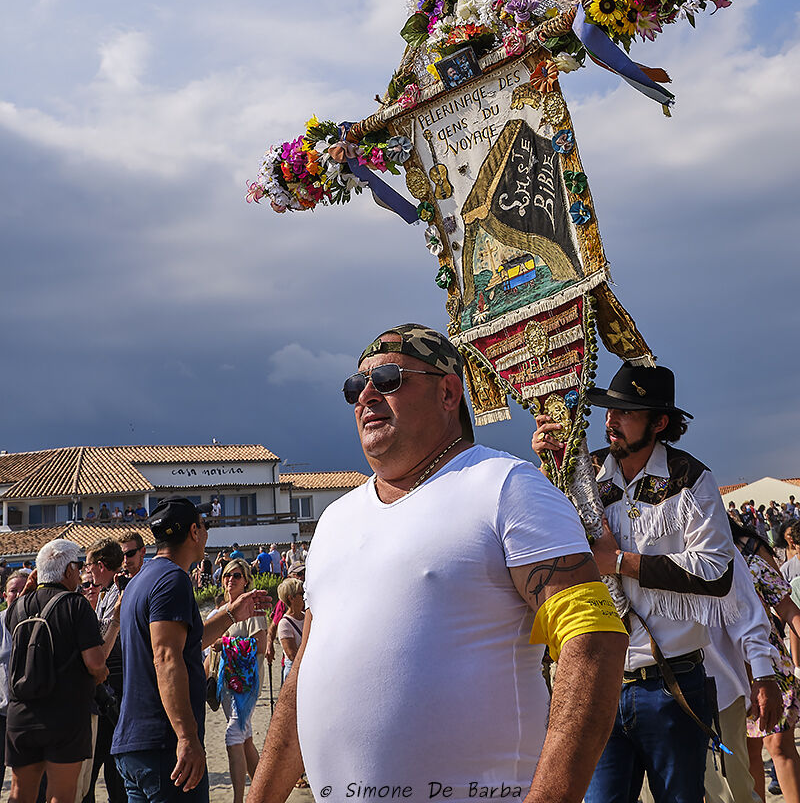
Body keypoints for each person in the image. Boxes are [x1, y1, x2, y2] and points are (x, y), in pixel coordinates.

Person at [250, 323, 628, 803]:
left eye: (388, 379)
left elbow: (592, 640)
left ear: (449, 392)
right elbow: (302, 678)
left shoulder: (506, 487)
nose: (365, 395)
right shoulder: (334, 520)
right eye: (355, 385)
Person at [534, 361, 737, 803]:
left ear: (659, 422)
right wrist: (548, 464)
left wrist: (620, 561)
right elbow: (545, 535)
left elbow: (717, 572)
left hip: (671, 686)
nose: (610, 420)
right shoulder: (581, 471)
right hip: (597, 681)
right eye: (608, 410)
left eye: (625, 412)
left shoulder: (691, 479)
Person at [111, 497, 270, 803]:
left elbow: (186, 644)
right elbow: (167, 658)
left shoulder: (140, 581)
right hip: (165, 746)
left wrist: (233, 613)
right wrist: (187, 736)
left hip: (136, 744)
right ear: (194, 532)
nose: (207, 534)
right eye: (204, 526)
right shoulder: (172, 580)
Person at [5, 540, 108, 803]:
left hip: (22, 713)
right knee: (61, 795)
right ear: (69, 570)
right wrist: (101, 675)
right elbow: (95, 663)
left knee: (20, 793)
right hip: (65, 714)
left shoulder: (17, 608)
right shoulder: (76, 605)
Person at [703, 547, 781, 803]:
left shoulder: (714, 534)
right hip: (639, 692)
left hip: (719, 692)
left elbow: (746, 613)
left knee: (731, 789)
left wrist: (762, 674)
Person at [731, 519, 800, 803]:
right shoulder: (692, 569)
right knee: (747, 754)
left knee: (779, 745)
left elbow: (790, 610)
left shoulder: (750, 562)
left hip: (770, 663)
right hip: (729, 670)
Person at [204, 559, 268, 803]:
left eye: (237, 575)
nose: (231, 579)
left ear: (246, 580)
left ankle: (239, 799)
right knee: (246, 739)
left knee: (233, 734)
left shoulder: (251, 608)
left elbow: (261, 645)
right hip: (226, 684)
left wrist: (226, 644)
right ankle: (263, 794)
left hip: (246, 685)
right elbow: (210, 650)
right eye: (228, 575)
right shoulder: (221, 612)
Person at [83, 540, 126, 803]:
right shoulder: (106, 592)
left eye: (89, 566)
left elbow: (103, 640)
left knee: (110, 768)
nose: (88, 574)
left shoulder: (118, 592)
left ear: (100, 566)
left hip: (116, 687)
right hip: (107, 689)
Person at [0, 572, 28, 794]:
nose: (18, 595)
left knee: (27, 782)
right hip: (1, 714)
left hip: (30, 716)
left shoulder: (36, 622)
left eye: (23, 589)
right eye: (13, 591)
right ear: (4, 595)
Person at [275, 579, 304, 683]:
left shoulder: (306, 617)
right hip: (294, 670)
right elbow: (292, 654)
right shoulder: (284, 624)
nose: (304, 596)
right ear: (291, 598)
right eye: (301, 593)